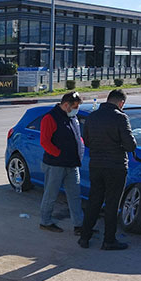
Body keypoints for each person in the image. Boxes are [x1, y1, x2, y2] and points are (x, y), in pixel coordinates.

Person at [79, 89, 137, 250]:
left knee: (94, 201)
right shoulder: (121, 118)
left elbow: (88, 141)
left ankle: (84, 237)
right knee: (112, 204)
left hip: (96, 165)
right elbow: (130, 145)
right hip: (116, 167)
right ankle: (109, 241)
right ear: (121, 103)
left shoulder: (92, 116)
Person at [39, 92, 85, 234]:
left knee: (75, 195)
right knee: (50, 195)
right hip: (55, 165)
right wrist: (59, 154)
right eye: (74, 107)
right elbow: (45, 142)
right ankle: (45, 222)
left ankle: (79, 225)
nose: (76, 110)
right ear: (66, 105)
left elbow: (77, 137)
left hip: (72, 164)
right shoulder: (50, 118)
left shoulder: (72, 117)